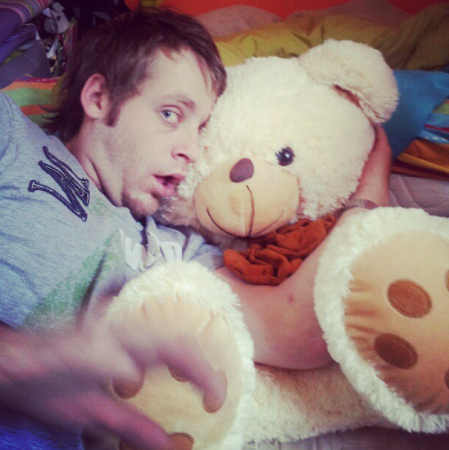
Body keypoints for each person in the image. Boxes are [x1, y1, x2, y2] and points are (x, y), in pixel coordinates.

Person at [0, 6, 392, 450]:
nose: (190, 148)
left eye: (201, 128)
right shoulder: (13, 140)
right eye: (171, 114)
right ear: (98, 98)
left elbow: (295, 329)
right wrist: (23, 360)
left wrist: (369, 189)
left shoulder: (179, 249)